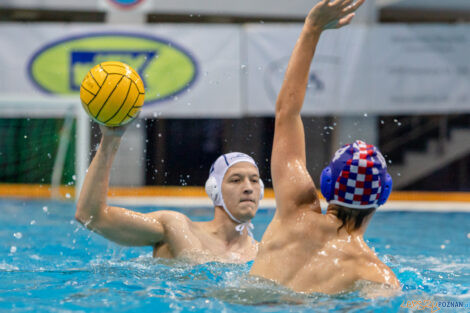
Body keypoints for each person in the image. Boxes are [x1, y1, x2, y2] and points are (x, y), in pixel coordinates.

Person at [250, 0, 400, 294]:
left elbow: (286, 113)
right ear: (384, 193)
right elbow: (425, 307)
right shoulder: (374, 274)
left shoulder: (295, 209)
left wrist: (312, 29)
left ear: (327, 183)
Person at [75, 125, 263, 264]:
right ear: (214, 189)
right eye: (236, 180)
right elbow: (91, 216)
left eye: (254, 180)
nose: (248, 188)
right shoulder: (176, 227)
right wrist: (110, 140)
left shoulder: (263, 253)